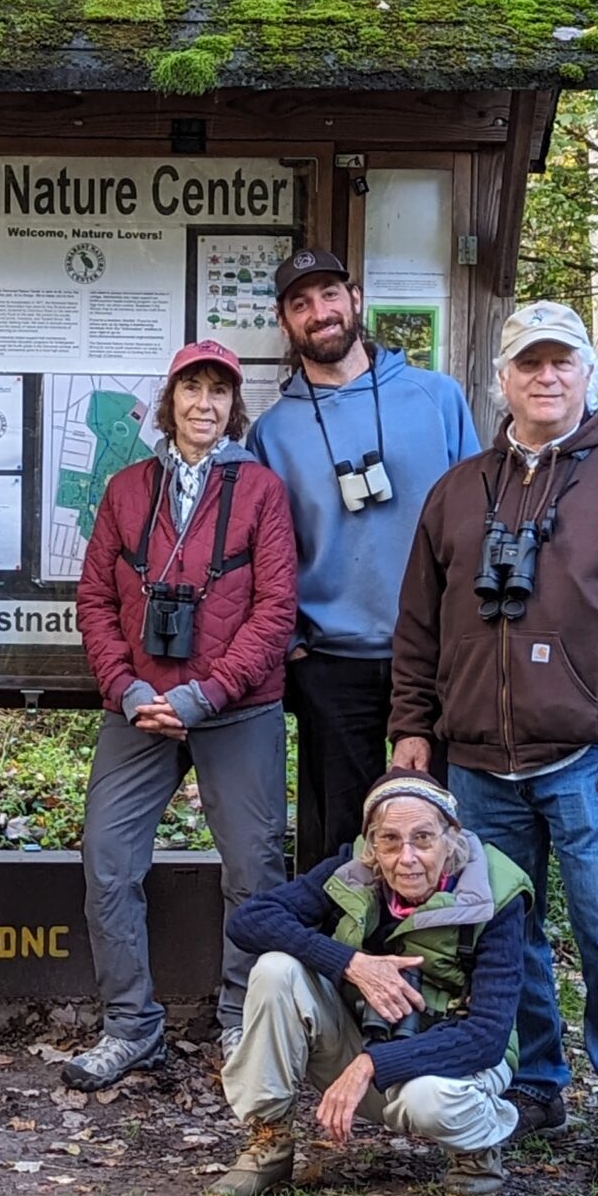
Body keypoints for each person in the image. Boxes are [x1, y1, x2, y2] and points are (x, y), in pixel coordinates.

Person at [390, 300, 598, 1181]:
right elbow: (418, 627)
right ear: (502, 379)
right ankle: (536, 1085)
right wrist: (412, 727)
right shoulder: (457, 490)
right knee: (505, 934)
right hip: (479, 761)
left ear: (588, 374)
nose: (547, 377)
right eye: (530, 363)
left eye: (563, 362)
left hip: (592, 756)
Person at [67, 341, 298, 1088]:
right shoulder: (129, 488)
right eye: (192, 389)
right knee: (107, 860)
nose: (205, 403)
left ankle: (242, 1019)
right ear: (169, 402)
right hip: (140, 709)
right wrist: (128, 688)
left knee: (254, 869)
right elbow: (96, 599)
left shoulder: (262, 490)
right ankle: (131, 1026)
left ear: (235, 406)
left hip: (235, 709)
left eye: (220, 392)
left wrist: (210, 692)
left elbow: (275, 611)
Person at [246, 248, 480, 868]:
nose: (318, 313)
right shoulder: (272, 432)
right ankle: (340, 963)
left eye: (328, 296)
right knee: (340, 837)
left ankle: (435, 960)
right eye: (300, 304)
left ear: (354, 300)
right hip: (333, 660)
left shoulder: (436, 397)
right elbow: (264, 549)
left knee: (437, 827)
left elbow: (478, 522)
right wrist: (294, 641)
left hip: (433, 656)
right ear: (285, 321)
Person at [207, 772, 532, 1196]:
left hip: (449, 1061)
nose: (408, 857)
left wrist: (369, 1065)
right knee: (275, 969)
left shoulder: (496, 893)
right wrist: (351, 964)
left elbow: (488, 1037)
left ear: (452, 838)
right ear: (372, 846)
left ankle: (474, 1149)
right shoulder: (353, 870)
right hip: (361, 1034)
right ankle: (270, 1139)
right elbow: (250, 922)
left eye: (423, 838)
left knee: (431, 1099)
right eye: (391, 841)